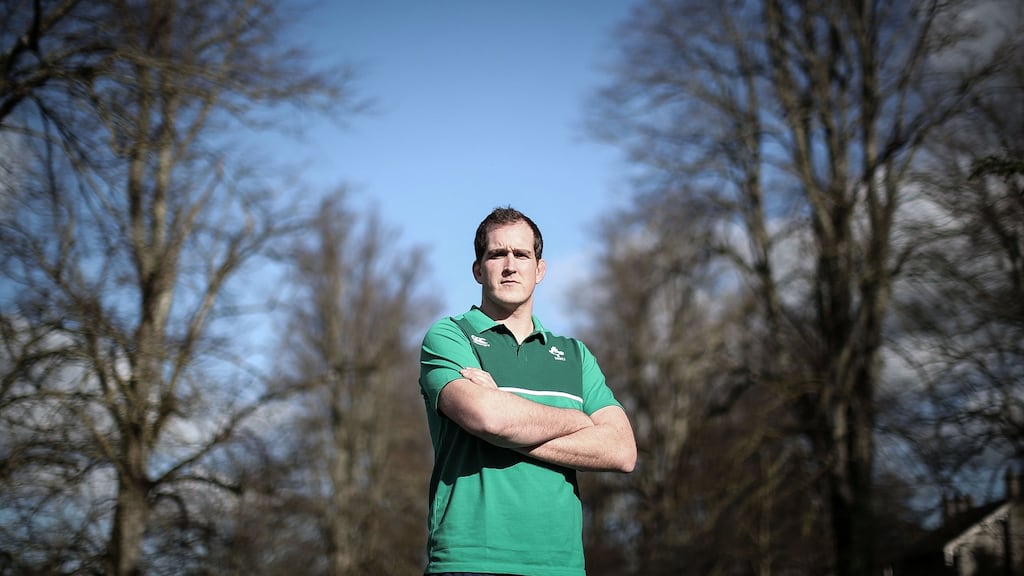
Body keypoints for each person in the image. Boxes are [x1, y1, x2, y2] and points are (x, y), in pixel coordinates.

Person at [418, 206, 637, 576]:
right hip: (470, 561)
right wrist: (579, 421)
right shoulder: (450, 336)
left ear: (540, 269)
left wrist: (505, 412)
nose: (510, 265)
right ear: (478, 269)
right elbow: (486, 417)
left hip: (561, 566)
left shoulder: (574, 355)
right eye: (496, 254)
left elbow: (622, 452)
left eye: (521, 254)